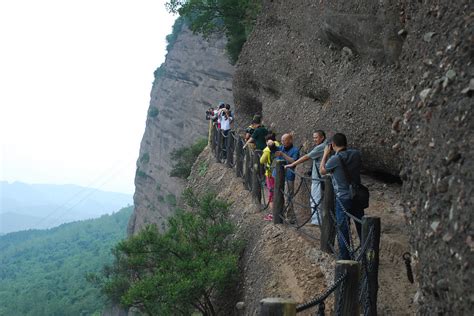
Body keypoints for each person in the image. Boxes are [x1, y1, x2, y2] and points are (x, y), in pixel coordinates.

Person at [320, 133, 363, 260]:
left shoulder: (334, 160)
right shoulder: (356, 154)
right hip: (357, 195)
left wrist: (325, 154)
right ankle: (367, 253)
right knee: (361, 225)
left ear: (332, 145)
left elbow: (322, 171)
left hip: (343, 198)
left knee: (343, 228)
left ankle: (345, 258)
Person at [285, 130, 327, 225]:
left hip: (319, 179)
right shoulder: (325, 145)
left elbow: (306, 157)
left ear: (322, 137)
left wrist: (293, 164)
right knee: (319, 199)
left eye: (316, 137)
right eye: (314, 137)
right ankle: (319, 220)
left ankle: (317, 222)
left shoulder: (321, 147)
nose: (314, 139)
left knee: (315, 199)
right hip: (321, 178)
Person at [274, 133, 300, 223]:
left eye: (284, 140)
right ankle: (279, 213)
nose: (282, 142)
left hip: (289, 176)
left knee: (288, 197)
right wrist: (270, 143)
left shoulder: (295, 150)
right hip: (278, 176)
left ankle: (290, 217)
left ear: (290, 140)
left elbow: (294, 161)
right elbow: (272, 149)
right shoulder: (281, 147)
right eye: (281, 140)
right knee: (278, 195)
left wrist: (283, 155)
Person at [260, 133, 280, 220]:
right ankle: (279, 212)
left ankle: (273, 214)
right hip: (279, 173)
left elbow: (261, 160)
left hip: (270, 173)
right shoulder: (279, 145)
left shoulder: (267, 149)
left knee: (271, 194)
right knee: (279, 192)